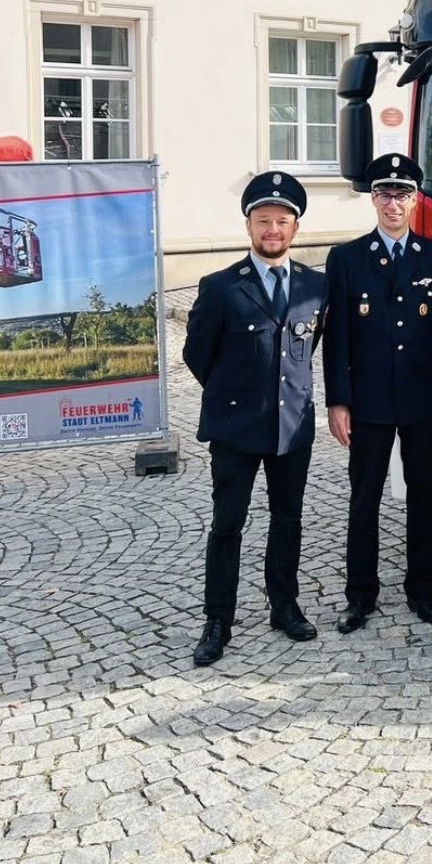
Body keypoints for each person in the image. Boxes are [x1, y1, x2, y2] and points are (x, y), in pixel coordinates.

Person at [184, 172, 326, 667]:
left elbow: (308, 347)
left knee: (288, 519)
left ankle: (284, 604)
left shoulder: (316, 285)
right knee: (228, 523)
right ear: (249, 226)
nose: (272, 229)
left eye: (281, 221)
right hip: (235, 429)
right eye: (263, 220)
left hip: (292, 426)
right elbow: (197, 355)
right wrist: (236, 397)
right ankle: (217, 618)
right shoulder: (221, 286)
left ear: (295, 227)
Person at [323, 153, 432, 631]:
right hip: (368, 401)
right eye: (384, 193)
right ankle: (360, 594)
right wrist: (337, 400)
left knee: (423, 496)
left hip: (423, 397)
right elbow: (337, 336)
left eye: (402, 193)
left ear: (414, 200)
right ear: (372, 198)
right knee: (363, 499)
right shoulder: (346, 258)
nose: (392, 202)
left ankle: (422, 589)